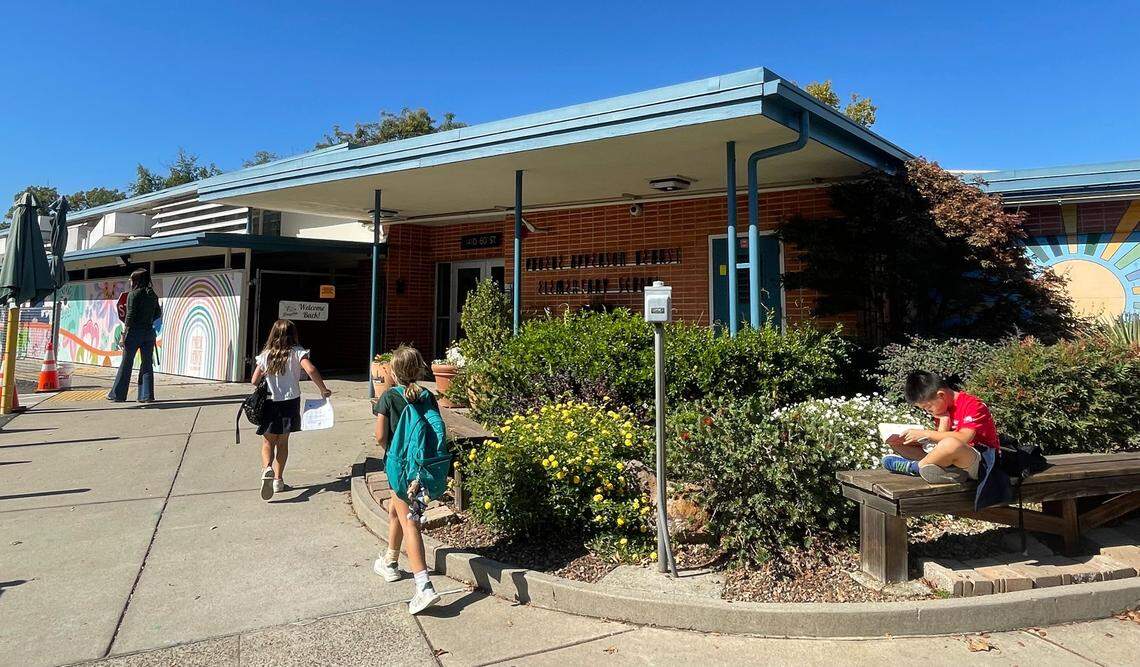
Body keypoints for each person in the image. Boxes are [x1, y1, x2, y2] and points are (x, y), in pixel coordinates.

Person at [371, 345, 442, 615]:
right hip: (422, 465)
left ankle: (424, 586)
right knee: (396, 511)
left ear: (393, 372)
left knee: (410, 522)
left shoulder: (389, 396)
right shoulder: (427, 395)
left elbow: (380, 436)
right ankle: (390, 561)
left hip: (399, 467)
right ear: (420, 368)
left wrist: (391, 450)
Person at [250, 319, 332, 501]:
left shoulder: (266, 355)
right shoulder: (297, 352)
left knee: (268, 442)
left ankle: (267, 468)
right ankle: (278, 480)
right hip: (290, 402)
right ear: (293, 334)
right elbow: (311, 369)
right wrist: (323, 389)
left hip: (270, 402)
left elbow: (254, 381)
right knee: (283, 443)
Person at [882, 370, 1000, 483]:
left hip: (981, 460)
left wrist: (925, 434)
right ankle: (944, 471)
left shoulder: (973, 405)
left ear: (941, 395)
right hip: (954, 459)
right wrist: (944, 421)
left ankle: (915, 468)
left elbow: (964, 438)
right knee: (898, 443)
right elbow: (939, 441)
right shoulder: (942, 409)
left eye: (928, 408)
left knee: (950, 444)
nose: (928, 412)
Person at [107, 268, 162, 403]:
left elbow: (130, 315)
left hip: (134, 333)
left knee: (126, 363)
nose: (130, 281)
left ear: (136, 280)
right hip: (149, 333)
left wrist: (124, 333)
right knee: (147, 364)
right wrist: (148, 320)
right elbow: (158, 313)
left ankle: (118, 394)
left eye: (131, 279)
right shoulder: (152, 295)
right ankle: (146, 395)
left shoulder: (133, 294)